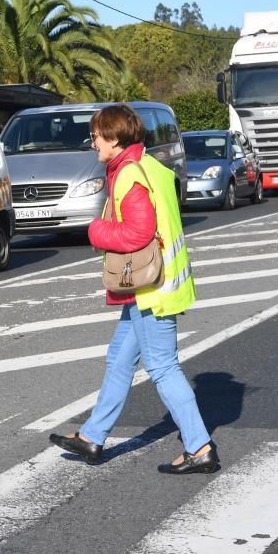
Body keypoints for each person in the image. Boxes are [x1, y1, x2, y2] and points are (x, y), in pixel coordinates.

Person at [49, 104, 218, 475]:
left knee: (162, 367)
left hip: (151, 289)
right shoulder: (153, 166)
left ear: (113, 138)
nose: (93, 144)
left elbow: (138, 233)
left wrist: (96, 231)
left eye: (95, 137)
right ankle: (93, 436)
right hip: (158, 282)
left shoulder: (129, 174)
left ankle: (199, 446)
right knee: (120, 358)